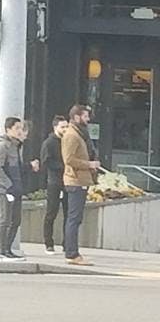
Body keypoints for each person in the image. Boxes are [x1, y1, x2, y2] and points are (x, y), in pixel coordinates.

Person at [0, 117, 39, 260]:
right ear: (8, 130)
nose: (20, 131)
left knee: (16, 220)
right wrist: (8, 186)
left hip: (16, 188)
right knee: (6, 219)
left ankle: (8, 249)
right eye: (17, 128)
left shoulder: (16, 146)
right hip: (6, 190)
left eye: (21, 128)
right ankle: (2, 251)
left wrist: (30, 166)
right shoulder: (4, 146)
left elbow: (17, 168)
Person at [61, 104, 101, 265]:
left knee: (75, 218)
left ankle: (71, 252)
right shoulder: (71, 135)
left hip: (80, 180)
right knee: (74, 218)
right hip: (75, 180)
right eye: (85, 116)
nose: (88, 119)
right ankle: (72, 253)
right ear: (77, 117)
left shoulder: (79, 134)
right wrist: (89, 165)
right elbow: (68, 159)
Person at [40, 115, 69, 254]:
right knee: (52, 212)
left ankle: (67, 243)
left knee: (69, 214)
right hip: (54, 182)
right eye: (63, 127)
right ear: (55, 127)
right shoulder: (49, 143)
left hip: (68, 181)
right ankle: (48, 243)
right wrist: (63, 167)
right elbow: (46, 162)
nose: (65, 129)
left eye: (67, 126)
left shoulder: (69, 141)